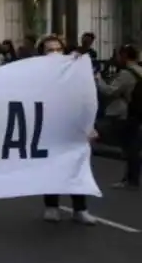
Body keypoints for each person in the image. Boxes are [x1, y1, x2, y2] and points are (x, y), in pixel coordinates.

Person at [37, 34, 97, 224]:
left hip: (72, 126)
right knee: (50, 165)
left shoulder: (74, 71)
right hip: (47, 126)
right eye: (49, 50)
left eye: (58, 49)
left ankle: (80, 209)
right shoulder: (35, 73)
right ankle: (51, 206)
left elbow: (85, 99)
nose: (55, 53)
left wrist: (90, 125)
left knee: (76, 164)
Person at [98, 44, 142, 191]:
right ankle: (132, 179)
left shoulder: (126, 73)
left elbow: (110, 91)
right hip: (137, 112)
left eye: (118, 55)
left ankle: (130, 179)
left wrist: (98, 79)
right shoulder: (140, 70)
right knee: (133, 146)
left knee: (130, 147)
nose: (117, 58)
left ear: (124, 56)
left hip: (127, 113)